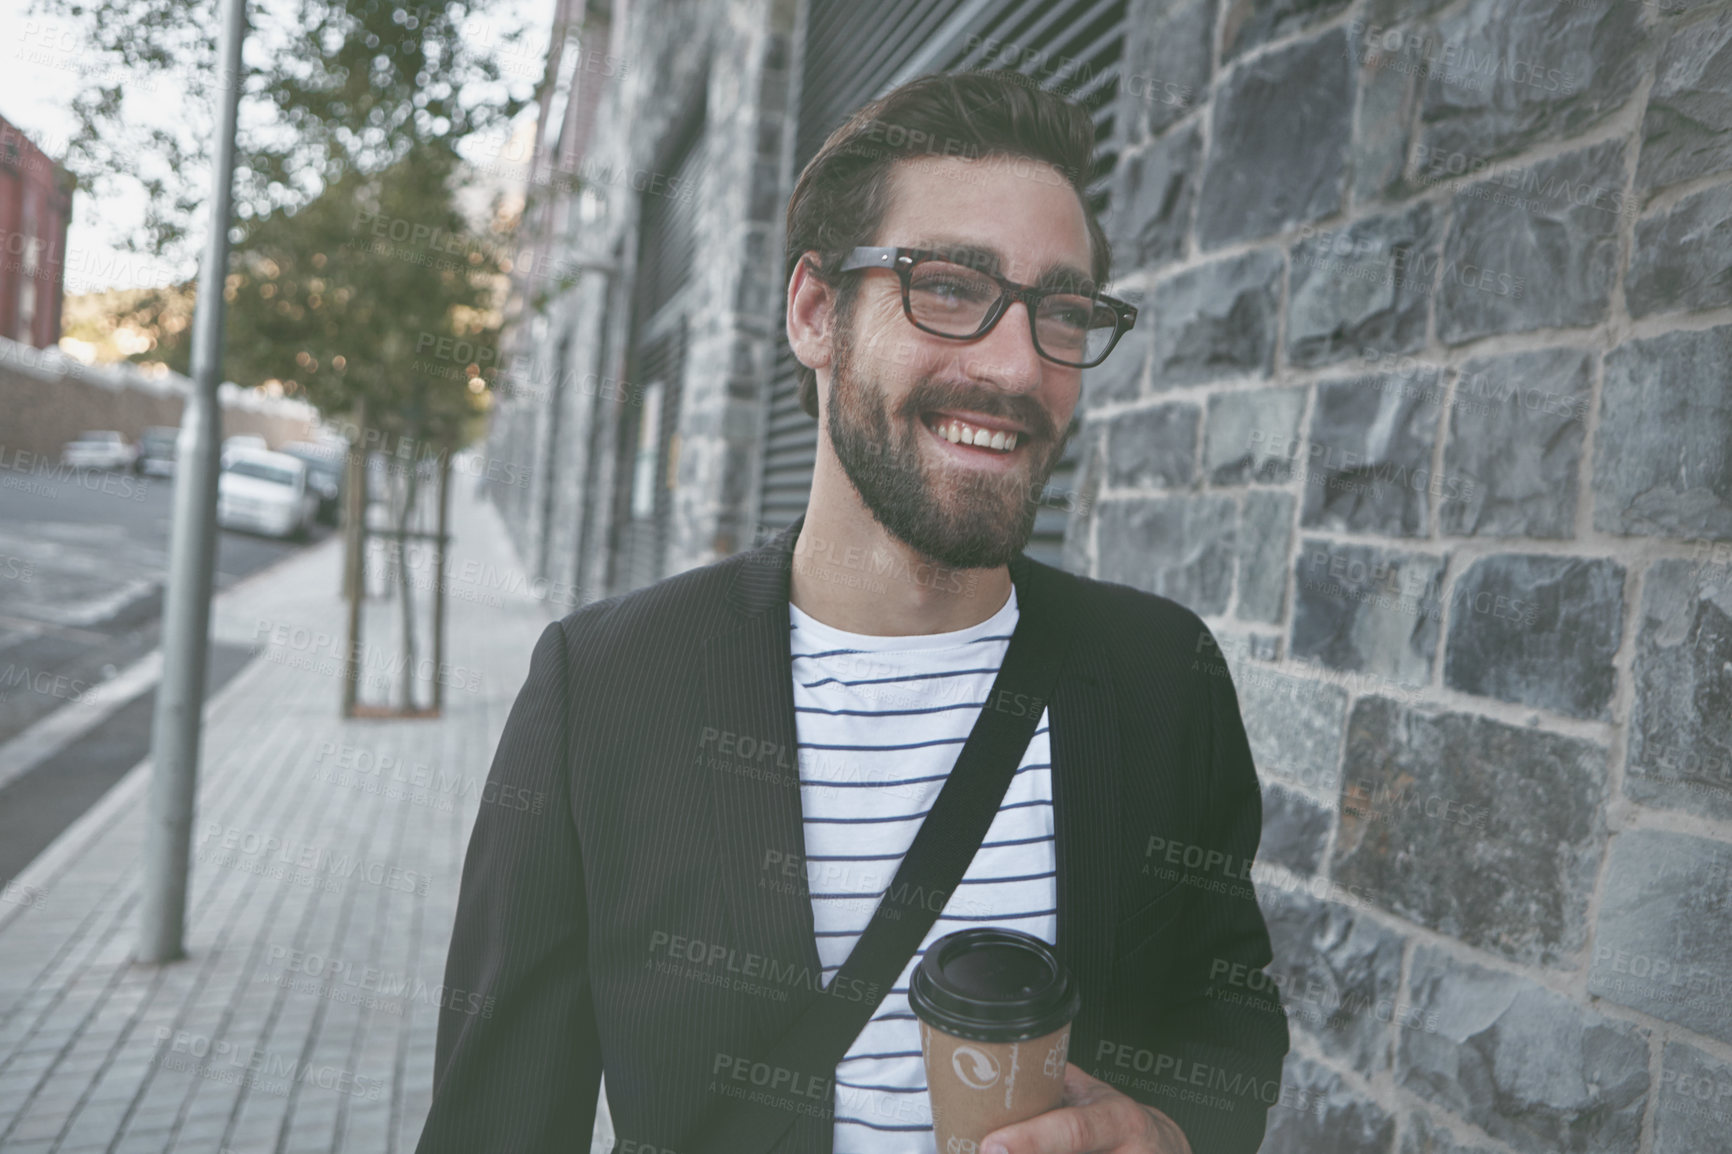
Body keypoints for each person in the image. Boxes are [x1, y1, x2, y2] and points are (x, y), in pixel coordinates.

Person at [415, 71, 1288, 1154]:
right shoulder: (604, 687)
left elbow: (1226, 1009)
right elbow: (496, 1120)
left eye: (1062, 309)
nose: (1018, 365)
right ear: (815, 312)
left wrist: (1166, 1127)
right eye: (951, 288)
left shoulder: (1162, 672)